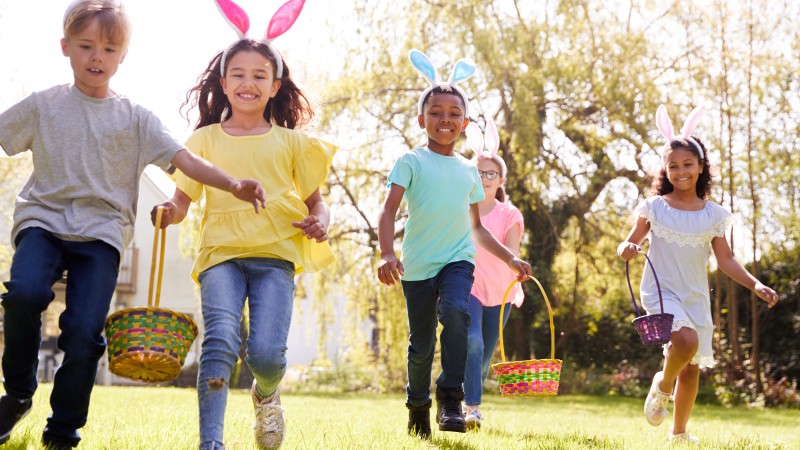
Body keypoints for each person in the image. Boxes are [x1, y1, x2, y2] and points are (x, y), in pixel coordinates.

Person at [0, 1, 266, 449]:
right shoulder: (44, 105)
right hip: (42, 222)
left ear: (123, 56)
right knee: (23, 295)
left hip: (101, 234)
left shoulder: (136, 119)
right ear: (65, 47)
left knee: (83, 332)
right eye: (86, 46)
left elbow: (184, 160)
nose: (96, 57)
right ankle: (19, 394)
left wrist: (233, 183)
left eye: (108, 49)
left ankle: (63, 428)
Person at [151, 2, 336, 448]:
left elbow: (317, 202)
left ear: (275, 86)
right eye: (237, 74)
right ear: (223, 82)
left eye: (258, 75)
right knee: (219, 343)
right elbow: (181, 203)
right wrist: (167, 213)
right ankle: (211, 443)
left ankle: (266, 393)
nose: (247, 83)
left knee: (267, 355)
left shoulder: (293, 143)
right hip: (221, 256)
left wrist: (319, 221)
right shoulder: (203, 141)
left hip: (276, 256)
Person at [377, 49, 532, 439]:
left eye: (453, 113)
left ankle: (450, 396)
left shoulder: (468, 171)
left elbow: (477, 229)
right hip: (417, 266)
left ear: (464, 123)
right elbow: (388, 211)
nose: (444, 119)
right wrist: (387, 252)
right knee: (420, 346)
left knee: (458, 315)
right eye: (436, 112)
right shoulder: (410, 162)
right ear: (421, 120)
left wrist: (511, 259)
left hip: (457, 262)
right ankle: (417, 405)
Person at [617, 105, 779, 444]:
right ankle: (663, 387)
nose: (681, 171)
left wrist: (756, 284)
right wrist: (626, 249)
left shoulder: (713, 215)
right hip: (661, 290)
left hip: (695, 295)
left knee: (691, 368)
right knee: (686, 342)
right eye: (673, 165)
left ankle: (678, 435)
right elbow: (629, 243)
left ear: (701, 166)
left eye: (688, 164)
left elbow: (726, 260)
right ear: (665, 169)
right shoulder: (654, 207)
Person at [461, 119, 525, 430]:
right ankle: (471, 407)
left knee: (484, 355)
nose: (484, 178)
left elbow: (512, 251)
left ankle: (461, 390)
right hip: (469, 288)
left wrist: (518, 265)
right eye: (479, 172)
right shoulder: (461, 209)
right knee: (472, 342)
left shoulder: (509, 214)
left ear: (501, 180)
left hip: (501, 293)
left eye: (491, 174)